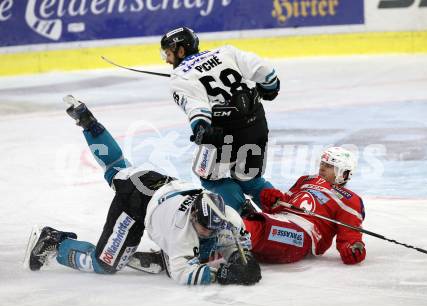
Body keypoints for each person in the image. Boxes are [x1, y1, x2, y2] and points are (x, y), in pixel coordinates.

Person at [24, 95, 261, 286]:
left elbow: (236, 242)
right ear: (193, 216)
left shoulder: (226, 216)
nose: (209, 232)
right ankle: (54, 241)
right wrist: (221, 276)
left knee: (115, 168)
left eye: (213, 228)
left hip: (163, 185)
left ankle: (88, 122)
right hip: (135, 201)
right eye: (205, 228)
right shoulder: (181, 232)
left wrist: (244, 259)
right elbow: (183, 275)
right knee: (105, 264)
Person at [160, 27, 280, 214]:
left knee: (208, 177)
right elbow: (266, 71)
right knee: (250, 179)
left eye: (168, 54)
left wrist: (202, 130)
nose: (167, 60)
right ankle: (286, 215)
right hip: (257, 125)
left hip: (226, 134)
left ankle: (245, 219)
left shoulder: (180, 77)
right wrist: (271, 87)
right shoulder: (226, 52)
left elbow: (197, 111)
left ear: (180, 50)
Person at [242, 147, 367, 265]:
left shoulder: (350, 199)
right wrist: (273, 201)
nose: (322, 168)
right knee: (244, 222)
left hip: (303, 235)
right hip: (281, 220)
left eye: (329, 166)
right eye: (322, 164)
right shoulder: (306, 180)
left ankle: (234, 233)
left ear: (344, 174)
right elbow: (283, 205)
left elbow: (350, 235)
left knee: (254, 228)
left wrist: (352, 248)